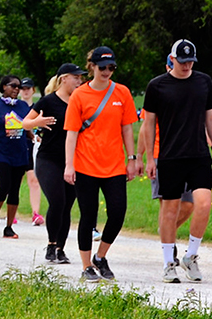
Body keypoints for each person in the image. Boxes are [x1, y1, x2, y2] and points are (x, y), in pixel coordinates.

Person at [138, 39, 212, 283]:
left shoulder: (203, 82)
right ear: (172, 59)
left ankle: (191, 256)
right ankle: (168, 262)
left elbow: (210, 119)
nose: (187, 66)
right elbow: (148, 124)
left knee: (204, 204)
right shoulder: (157, 86)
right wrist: (149, 159)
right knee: (170, 210)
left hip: (199, 154)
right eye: (183, 61)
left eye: (191, 62)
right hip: (170, 156)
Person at [63, 46, 140, 283]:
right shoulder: (79, 95)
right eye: (102, 67)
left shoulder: (122, 92)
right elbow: (71, 133)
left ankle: (101, 256)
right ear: (92, 67)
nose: (107, 71)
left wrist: (132, 159)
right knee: (88, 215)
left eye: (111, 67)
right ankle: (86, 265)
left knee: (118, 212)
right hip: (85, 164)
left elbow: (127, 128)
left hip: (114, 164)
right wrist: (69, 165)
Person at [0, 75, 46, 239]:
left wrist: (34, 136)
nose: (16, 89)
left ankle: (9, 227)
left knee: (14, 190)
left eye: (18, 87)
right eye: (13, 86)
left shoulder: (23, 107)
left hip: (19, 152)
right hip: (0, 152)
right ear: (4, 87)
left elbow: (27, 127)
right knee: (4, 184)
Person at [25, 64, 85, 264]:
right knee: (57, 201)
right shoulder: (48, 101)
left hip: (73, 161)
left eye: (80, 78)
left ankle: (60, 248)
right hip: (48, 159)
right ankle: (51, 244)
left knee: (67, 205)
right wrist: (37, 123)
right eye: (76, 78)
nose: (79, 81)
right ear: (63, 79)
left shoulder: (80, 101)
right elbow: (25, 123)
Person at [18, 77, 44, 226]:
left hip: (33, 147)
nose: (25, 91)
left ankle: (36, 212)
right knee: (15, 180)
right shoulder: (16, 107)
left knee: (34, 179)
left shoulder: (38, 108)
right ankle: (11, 212)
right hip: (18, 145)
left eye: (28, 88)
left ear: (33, 90)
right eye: (22, 88)